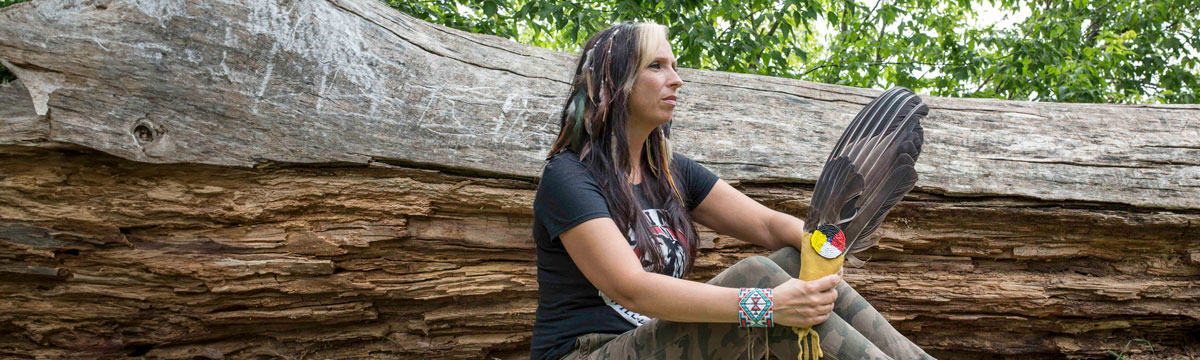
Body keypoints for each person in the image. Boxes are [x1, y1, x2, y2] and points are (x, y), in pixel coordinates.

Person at [530, 21, 935, 360]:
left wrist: (821, 247)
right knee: (758, 277)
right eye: (657, 66)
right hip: (586, 353)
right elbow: (631, 288)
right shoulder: (568, 177)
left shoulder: (668, 172)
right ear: (614, 81)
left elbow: (767, 222)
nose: (677, 79)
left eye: (674, 66)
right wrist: (768, 307)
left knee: (793, 259)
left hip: (652, 343)